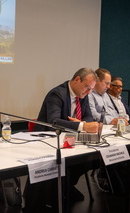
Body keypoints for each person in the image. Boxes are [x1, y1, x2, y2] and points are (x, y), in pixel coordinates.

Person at [25, 67, 100, 212]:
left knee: (92, 159)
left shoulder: (83, 96)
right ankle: (51, 195)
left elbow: (88, 117)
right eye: (87, 87)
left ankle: (66, 187)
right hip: (46, 141)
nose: (89, 92)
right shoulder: (57, 94)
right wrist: (81, 125)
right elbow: (54, 122)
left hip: (70, 140)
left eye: (91, 89)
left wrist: (81, 123)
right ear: (77, 80)